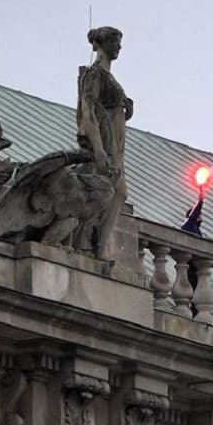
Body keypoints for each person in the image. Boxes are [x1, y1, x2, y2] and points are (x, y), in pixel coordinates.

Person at [77, 26, 132, 260]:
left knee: (119, 193)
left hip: (116, 148)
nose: (119, 46)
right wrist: (98, 149)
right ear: (101, 43)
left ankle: (99, 244)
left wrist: (125, 109)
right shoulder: (96, 74)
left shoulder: (108, 76)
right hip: (106, 146)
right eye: (115, 41)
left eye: (120, 41)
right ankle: (88, 241)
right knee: (108, 192)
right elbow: (88, 111)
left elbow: (109, 110)